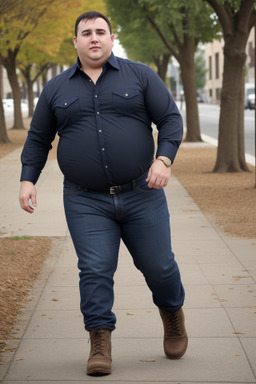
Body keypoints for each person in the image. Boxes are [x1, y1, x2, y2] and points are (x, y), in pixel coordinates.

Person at [19, 11, 188, 376]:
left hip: (142, 193)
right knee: (94, 268)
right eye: (86, 33)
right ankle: (99, 340)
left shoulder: (140, 75)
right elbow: (38, 138)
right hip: (84, 199)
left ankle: (173, 314)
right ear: (75, 42)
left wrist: (164, 159)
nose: (94, 38)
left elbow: (171, 120)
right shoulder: (56, 88)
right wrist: (28, 178)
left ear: (112, 38)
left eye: (101, 32)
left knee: (159, 267)